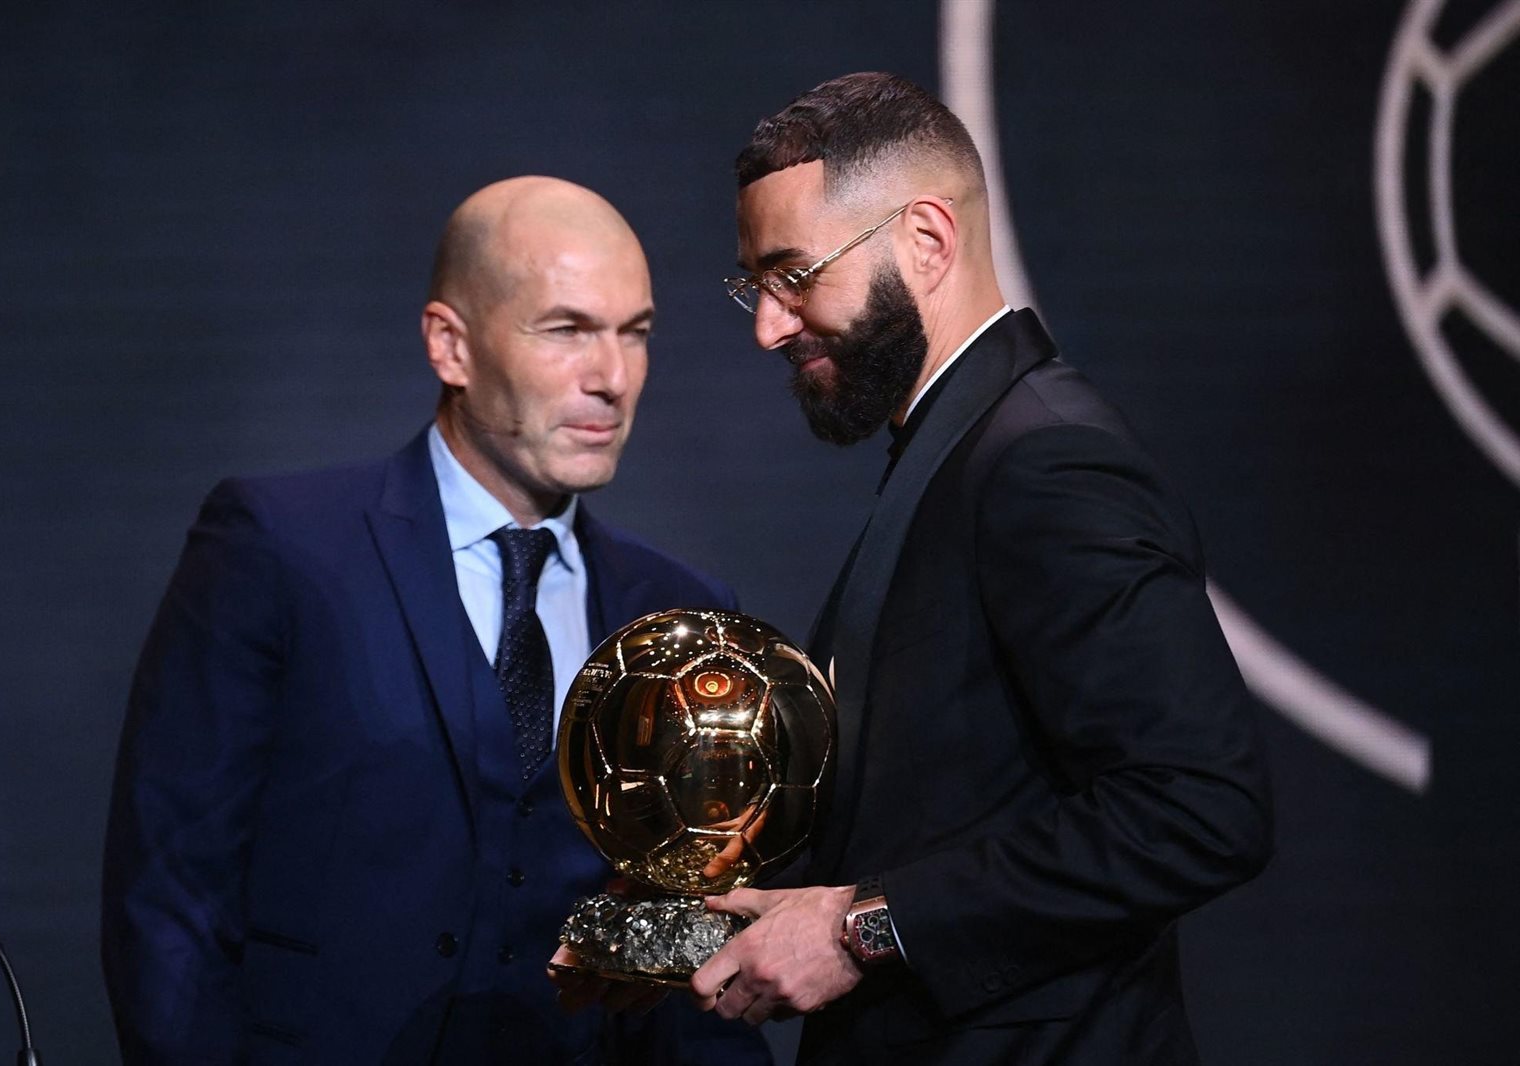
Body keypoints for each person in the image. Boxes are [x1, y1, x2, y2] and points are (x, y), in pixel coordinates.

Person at [101, 176, 768, 1066]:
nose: (611, 378)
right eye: (566, 329)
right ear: (450, 345)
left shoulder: (681, 616)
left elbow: (695, 946)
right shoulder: (278, 548)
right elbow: (172, 893)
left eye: (634, 332)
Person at [689, 73, 1273, 1065]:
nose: (769, 326)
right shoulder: (954, 453)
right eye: (756, 285)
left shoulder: (1048, 462)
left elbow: (1200, 806)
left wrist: (860, 931)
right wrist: (699, 918)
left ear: (926, 241)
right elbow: (938, 812)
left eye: (795, 275)